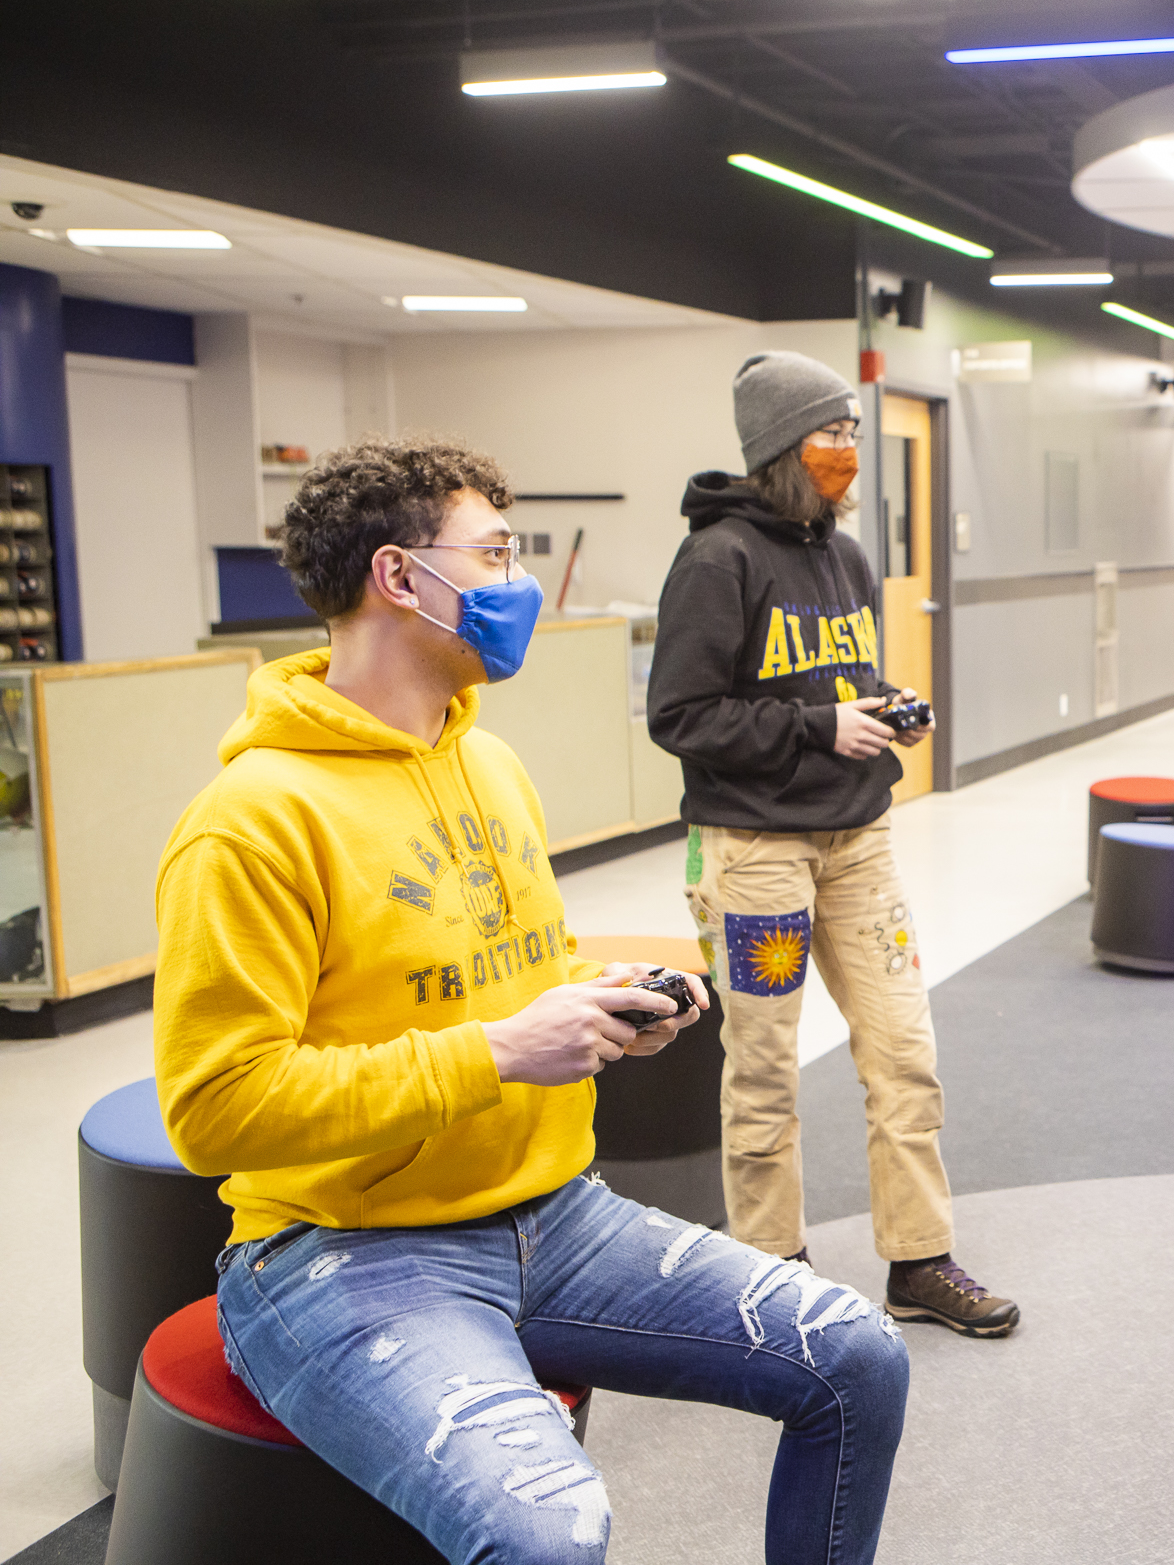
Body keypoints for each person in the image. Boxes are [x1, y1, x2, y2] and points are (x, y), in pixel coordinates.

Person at [154, 436, 909, 1564]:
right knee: (550, 1535)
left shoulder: (490, 766)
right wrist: (500, 1050)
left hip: (553, 1215)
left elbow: (490, 979)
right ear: (399, 576)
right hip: (337, 1254)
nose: (518, 583)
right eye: (496, 554)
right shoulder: (250, 822)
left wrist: (590, 1001)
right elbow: (214, 1111)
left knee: (857, 1355)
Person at [649, 351, 1018, 1338]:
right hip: (755, 853)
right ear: (782, 444)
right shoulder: (717, 559)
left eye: (854, 431)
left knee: (905, 1053)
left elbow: (837, 679)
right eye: (833, 432)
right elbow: (681, 715)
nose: (850, 449)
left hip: (859, 843)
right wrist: (819, 728)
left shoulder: (845, 557)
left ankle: (919, 1259)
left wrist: (885, 710)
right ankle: (774, 1270)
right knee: (765, 1068)